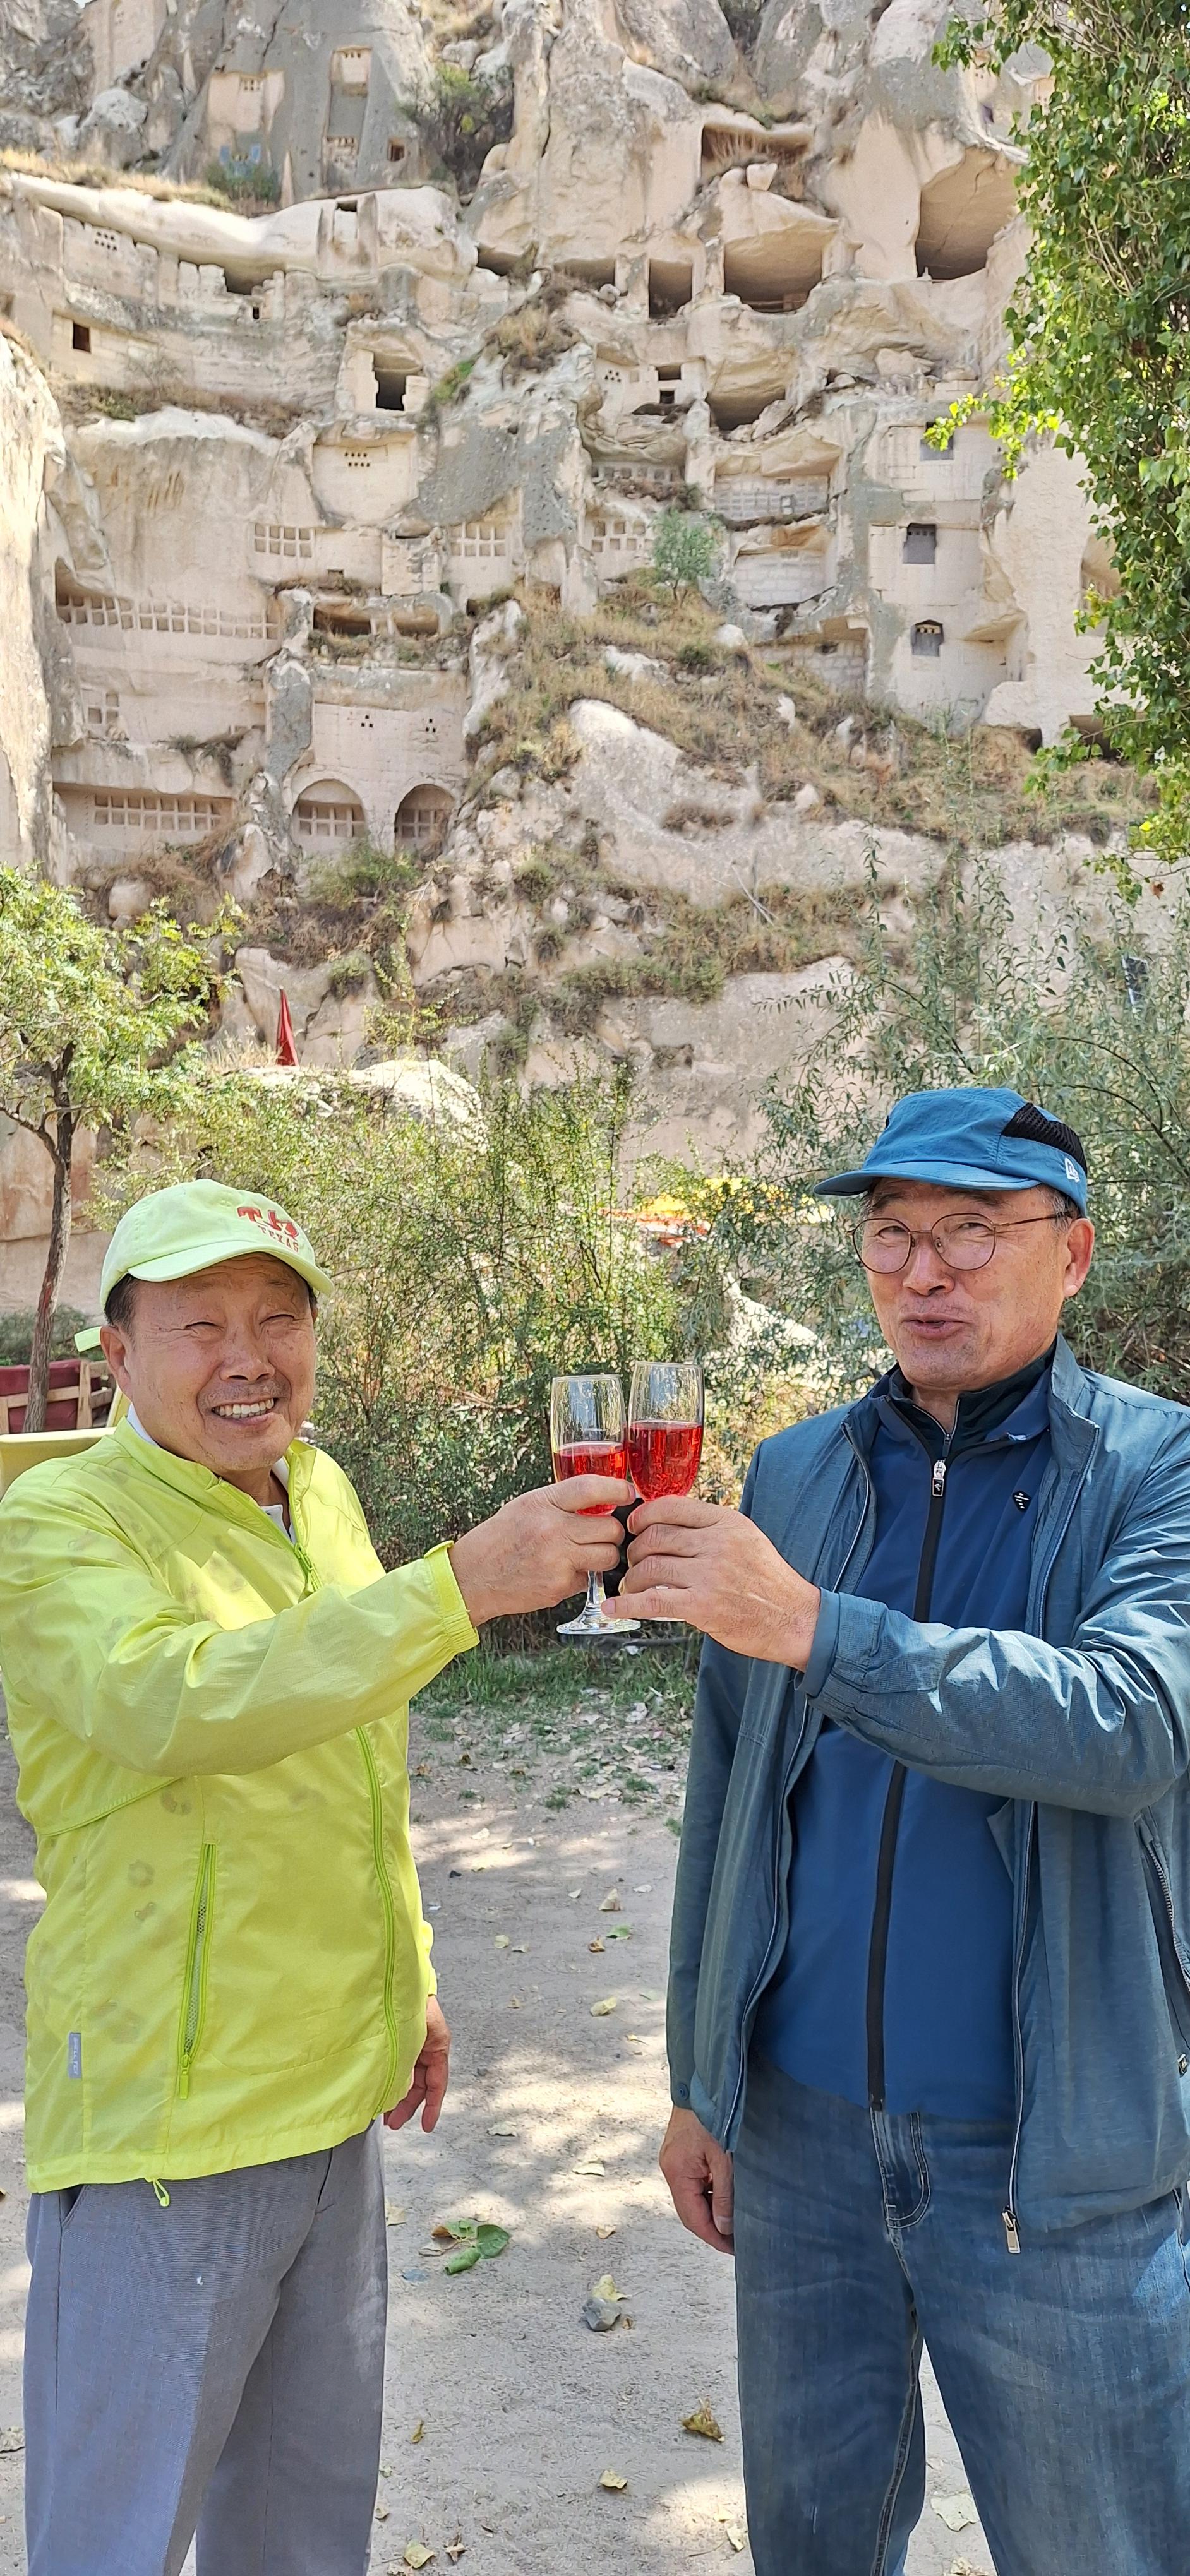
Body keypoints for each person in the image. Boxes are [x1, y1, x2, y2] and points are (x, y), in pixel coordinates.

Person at [0, 1179, 630, 2576]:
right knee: (116, 2541)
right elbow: (180, 1701)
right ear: (119, 1353)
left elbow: (355, 1763)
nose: (249, 1357)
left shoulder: (320, 1487)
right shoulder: (60, 1523)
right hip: (172, 2132)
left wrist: (410, 1977)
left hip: (335, 2107)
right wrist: (457, 1586)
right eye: (201, 1324)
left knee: (303, 2531)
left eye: (279, 1319)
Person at [609, 1085, 1190, 2576]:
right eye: (891, 1234)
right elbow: (735, 1789)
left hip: (1051, 2162)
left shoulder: (1156, 1467)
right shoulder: (798, 1472)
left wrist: (819, 1628)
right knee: (812, 2545)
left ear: (1072, 1253)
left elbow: (1130, 1724)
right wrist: (702, 2078)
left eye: (971, 1232)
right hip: (800, 2145)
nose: (923, 1272)